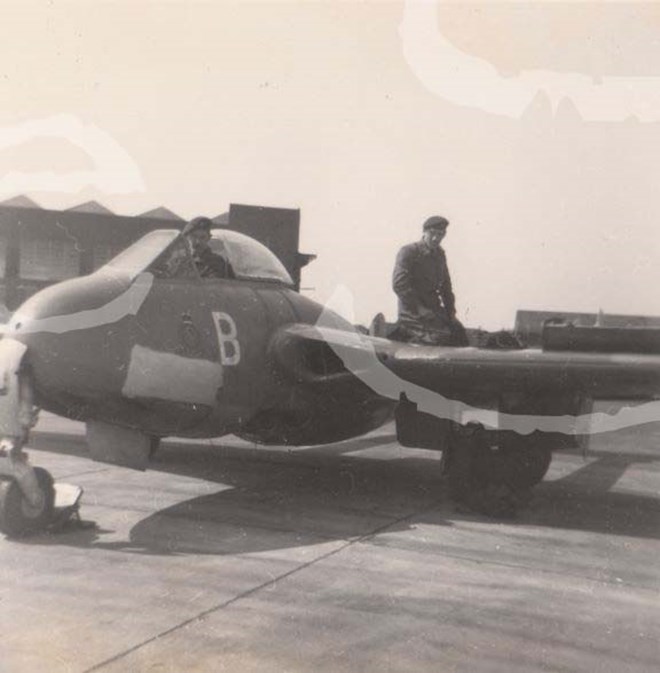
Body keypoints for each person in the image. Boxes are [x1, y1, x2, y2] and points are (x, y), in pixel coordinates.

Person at [392, 215, 467, 346]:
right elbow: (399, 285)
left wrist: (451, 314)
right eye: (432, 233)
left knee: (460, 334)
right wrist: (420, 310)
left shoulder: (439, 255)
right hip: (412, 314)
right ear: (424, 232)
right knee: (439, 339)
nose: (435, 238)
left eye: (440, 234)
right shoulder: (409, 252)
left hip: (434, 312)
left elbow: (446, 288)